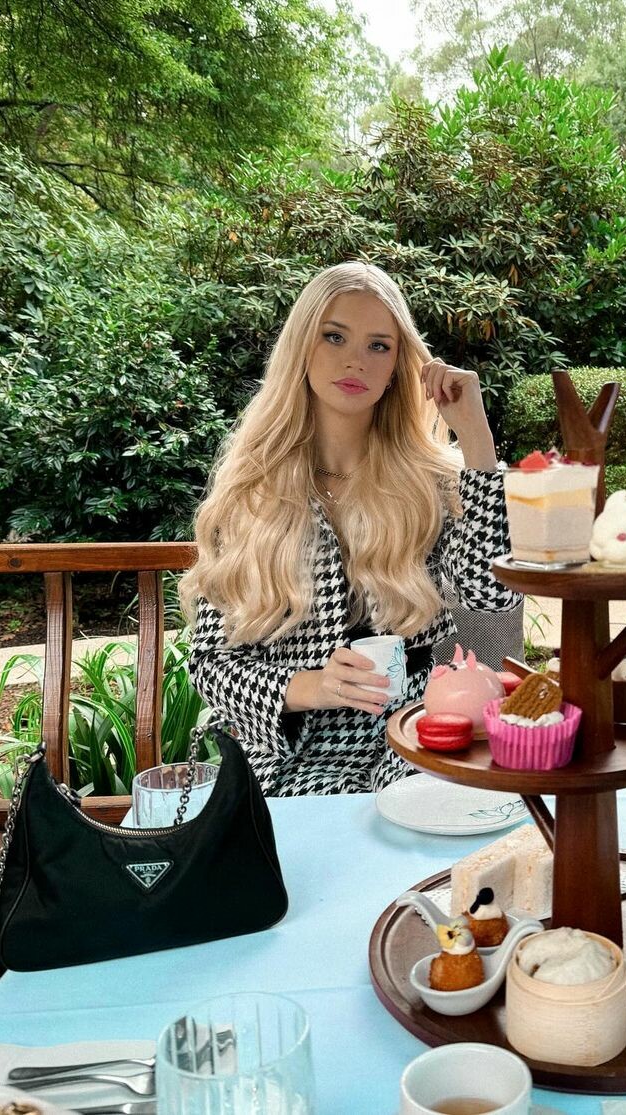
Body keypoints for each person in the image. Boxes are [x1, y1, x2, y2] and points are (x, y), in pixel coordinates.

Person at [180, 262, 521, 795]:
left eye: (379, 346)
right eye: (334, 336)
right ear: (302, 346)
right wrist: (311, 686)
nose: (355, 360)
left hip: (413, 739)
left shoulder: (429, 483)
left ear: (397, 368)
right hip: (282, 757)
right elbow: (210, 665)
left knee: (427, 807)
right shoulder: (249, 490)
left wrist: (477, 441)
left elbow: (491, 600)